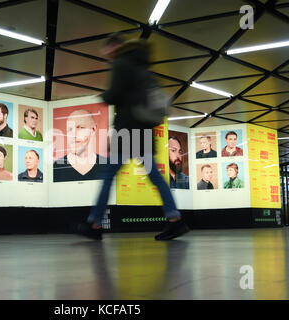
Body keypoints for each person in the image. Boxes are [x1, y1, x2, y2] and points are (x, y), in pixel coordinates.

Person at [78, 34, 189, 241]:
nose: (107, 58)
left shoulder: (121, 63)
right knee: (154, 176)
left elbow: (115, 94)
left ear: (115, 47)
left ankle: (94, 223)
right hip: (144, 131)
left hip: (127, 130)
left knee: (109, 175)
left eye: (107, 53)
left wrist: (103, 96)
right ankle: (175, 220)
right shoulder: (143, 67)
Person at [53, 109, 107, 182]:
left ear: (93, 130)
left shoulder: (106, 165)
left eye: (80, 128)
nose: (73, 135)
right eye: (70, 129)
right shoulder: (56, 167)